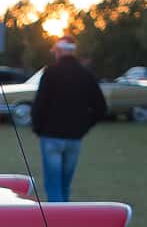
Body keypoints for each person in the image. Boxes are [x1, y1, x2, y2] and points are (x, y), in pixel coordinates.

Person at [30, 38, 108, 201]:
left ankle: (56, 222)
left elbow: (40, 104)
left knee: (53, 184)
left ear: (58, 51)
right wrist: (83, 127)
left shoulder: (50, 73)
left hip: (50, 136)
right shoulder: (85, 75)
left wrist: (38, 127)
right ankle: (65, 219)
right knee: (65, 184)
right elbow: (100, 108)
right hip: (74, 138)